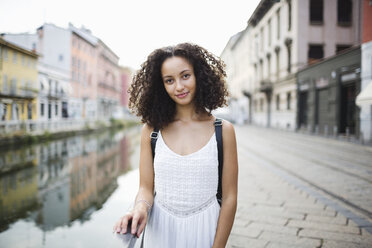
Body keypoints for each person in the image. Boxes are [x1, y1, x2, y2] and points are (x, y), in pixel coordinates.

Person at [113, 43, 238, 248]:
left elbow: (230, 198)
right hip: (160, 231)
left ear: (199, 75)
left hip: (205, 229)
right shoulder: (151, 130)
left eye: (185, 76)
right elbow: (145, 188)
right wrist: (139, 210)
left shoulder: (223, 130)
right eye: (169, 80)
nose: (178, 86)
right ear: (160, 85)